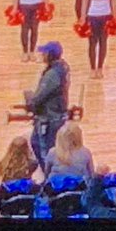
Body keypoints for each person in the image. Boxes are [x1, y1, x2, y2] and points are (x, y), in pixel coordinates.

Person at [24, 40, 71, 170]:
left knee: (45, 150)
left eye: (44, 53)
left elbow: (40, 96)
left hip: (50, 118)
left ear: (50, 55)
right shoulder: (63, 67)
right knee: (37, 143)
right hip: (55, 115)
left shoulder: (52, 74)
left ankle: (49, 176)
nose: (42, 55)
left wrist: (30, 102)